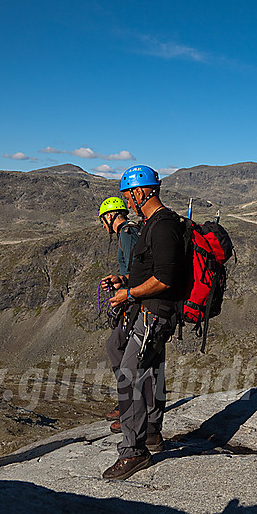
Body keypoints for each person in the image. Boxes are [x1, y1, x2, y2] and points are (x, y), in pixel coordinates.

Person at [99, 165, 184, 480]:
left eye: (129, 193)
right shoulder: (153, 224)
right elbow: (151, 269)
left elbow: (163, 279)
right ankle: (151, 432)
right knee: (149, 369)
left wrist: (128, 294)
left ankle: (134, 451)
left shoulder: (162, 227)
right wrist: (123, 280)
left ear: (141, 191)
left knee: (131, 373)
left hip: (154, 311)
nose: (128, 200)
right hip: (148, 309)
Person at [98, 197, 140, 429]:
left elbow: (138, 271)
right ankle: (127, 405)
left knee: (115, 348)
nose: (103, 225)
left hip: (135, 300)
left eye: (103, 220)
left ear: (110, 215)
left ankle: (129, 409)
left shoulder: (126, 233)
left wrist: (125, 291)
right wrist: (118, 282)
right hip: (131, 296)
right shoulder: (129, 232)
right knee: (119, 348)